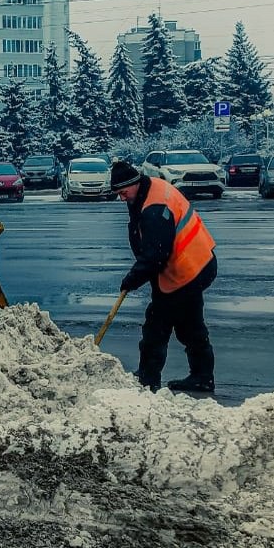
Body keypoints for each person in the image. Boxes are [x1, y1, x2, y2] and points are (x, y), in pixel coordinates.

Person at [108, 160, 218, 393]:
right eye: (118, 194)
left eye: (123, 192)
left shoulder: (155, 209)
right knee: (190, 324)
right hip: (198, 260)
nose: (121, 198)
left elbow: (155, 255)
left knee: (157, 326)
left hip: (185, 270)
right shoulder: (151, 188)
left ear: (135, 183)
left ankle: (148, 378)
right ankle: (202, 376)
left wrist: (132, 279)